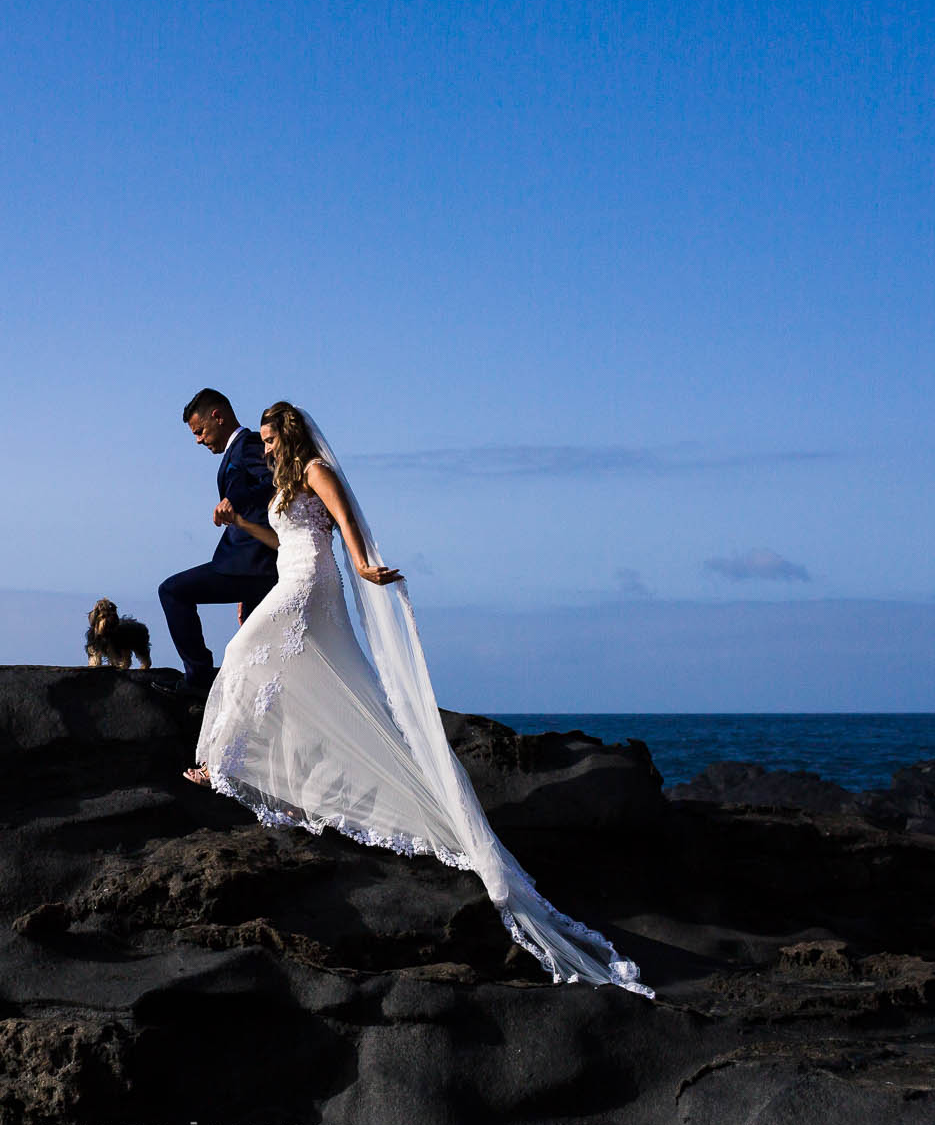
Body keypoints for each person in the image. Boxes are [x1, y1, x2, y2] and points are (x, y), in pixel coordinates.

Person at [184, 401, 651, 996]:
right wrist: (239, 526)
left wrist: (362, 564)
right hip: (290, 572)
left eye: (272, 438)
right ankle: (252, 767)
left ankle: (222, 765)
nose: (265, 446)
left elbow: (345, 519)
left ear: (289, 434)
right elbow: (283, 540)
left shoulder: (314, 472)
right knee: (277, 668)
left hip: (311, 582)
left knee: (248, 652)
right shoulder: (282, 478)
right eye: (265, 440)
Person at [157, 389, 279, 695]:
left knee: (172, 591)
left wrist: (232, 500)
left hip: (252, 565)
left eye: (199, 431)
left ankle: (199, 678)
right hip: (249, 566)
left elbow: (273, 481)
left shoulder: (248, 445)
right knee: (253, 649)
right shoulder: (237, 452)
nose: (198, 440)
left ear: (218, 416)